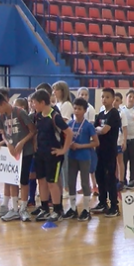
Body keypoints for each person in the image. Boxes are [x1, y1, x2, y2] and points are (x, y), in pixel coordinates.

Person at [0, 93, 37, 223]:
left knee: (23, 180)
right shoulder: (0, 116)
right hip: (12, 152)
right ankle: (14, 208)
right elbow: (3, 133)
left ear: (4, 103)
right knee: (12, 179)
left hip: (25, 151)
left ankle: (24, 208)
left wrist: (21, 142)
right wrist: (8, 143)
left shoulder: (20, 113)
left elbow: (33, 130)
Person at [31, 88, 73, 222]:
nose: (33, 106)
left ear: (42, 102)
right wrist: (35, 145)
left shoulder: (55, 116)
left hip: (53, 155)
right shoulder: (37, 116)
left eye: (34, 103)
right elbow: (36, 132)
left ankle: (57, 209)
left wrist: (63, 150)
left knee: (52, 183)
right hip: (40, 154)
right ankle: (44, 208)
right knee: (41, 181)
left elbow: (69, 133)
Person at [64, 97, 99, 221]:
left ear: (85, 111)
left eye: (79, 109)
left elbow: (96, 143)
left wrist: (80, 146)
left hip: (84, 157)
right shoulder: (70, 124)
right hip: (72, 156)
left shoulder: (88, 126)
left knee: (85, 183)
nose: (76, 111)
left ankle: (86, 209)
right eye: (75, 108)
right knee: (71, 182)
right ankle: (73, 208)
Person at [91, 87, 122, 217]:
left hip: (110, 150)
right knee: (100, 177)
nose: (104, 99)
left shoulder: (114, 113)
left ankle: (114, 206)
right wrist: (99, 128)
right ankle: (102, 202)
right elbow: (95, 129)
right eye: (102, 97)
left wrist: (99, 129)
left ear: (113, 99)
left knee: (110, 178)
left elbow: (104, 130)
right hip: (99, 150)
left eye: (107, 97)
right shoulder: (101, 114)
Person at [76, 87, 99, 196]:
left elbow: (91, 125)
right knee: (81, 166)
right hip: (78, 140)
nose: (83, 96)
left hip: (88, 141)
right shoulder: (75, 109)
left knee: (90, 166)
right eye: (81, 94)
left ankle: (95, 186)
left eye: (85, 94)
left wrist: (90, 141)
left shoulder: (90, 109)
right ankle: (85, 186)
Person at [113, 92, 127, 192]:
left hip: (118, 140)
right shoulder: (104, 111)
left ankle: (121, 181)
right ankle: (115, 179)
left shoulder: (121, 113)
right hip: (110, 141)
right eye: (114, 99)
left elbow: (124, 128)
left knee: (119, 161)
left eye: (117, 100)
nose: (114, 102)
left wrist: (124, 141)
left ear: (121, 102)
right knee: (112, 162)